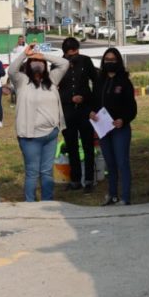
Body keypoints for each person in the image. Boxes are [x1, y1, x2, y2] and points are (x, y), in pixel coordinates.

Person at [10, 42, 68, 202]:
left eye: (40, 62)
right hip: (30, 137)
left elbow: (65, 63)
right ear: (28, 65)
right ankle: (30, 203)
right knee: (32, 172)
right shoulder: (21, 81)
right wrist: (25, 54)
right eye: (34, 62)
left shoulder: (52, 79)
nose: (37, 63)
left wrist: (44, 56)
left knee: (47, 171)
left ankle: (47, 202)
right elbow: (11, 69)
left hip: (50, 134)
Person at [92, 48, 137, 206]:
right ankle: (112, 195)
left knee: (122, 162)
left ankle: (125, 197)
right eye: (106, 60)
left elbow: (132, 108)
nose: (109, 62)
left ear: (118, 61)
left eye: (112, 60)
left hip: (120, 129)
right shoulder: (99, 81)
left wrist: (123, 120)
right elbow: (94, 102)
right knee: (109, 163)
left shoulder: (124, 82)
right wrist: (91, 112)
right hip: (103, 129)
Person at [58, 37, 98, 192]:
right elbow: (53, 89)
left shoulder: (86, 61)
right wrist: (69, 98)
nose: (74, 57)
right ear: (65, 54)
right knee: (71, 145)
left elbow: (96, 81)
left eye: (76, 53)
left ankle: (89, 180)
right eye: (70, 55)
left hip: (85, 109)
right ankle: (75, 179)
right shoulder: (58, 65)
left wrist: (88, 100)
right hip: (67, 110)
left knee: (88, 145)